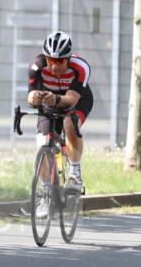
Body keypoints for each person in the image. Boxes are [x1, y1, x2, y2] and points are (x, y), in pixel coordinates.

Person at [26, 30, 93, 194]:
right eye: (50, 60)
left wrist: (55, 99)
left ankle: (75, 175)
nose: (55, 65)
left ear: (68, 59)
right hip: (49, 101)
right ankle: (45, 193)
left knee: (69, 124)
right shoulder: (36, 66)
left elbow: (70, 100)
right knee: (42, 143)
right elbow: (30, 95)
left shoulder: (81, 67)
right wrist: (34, 98)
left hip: (78, 100)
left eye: (60, 61)